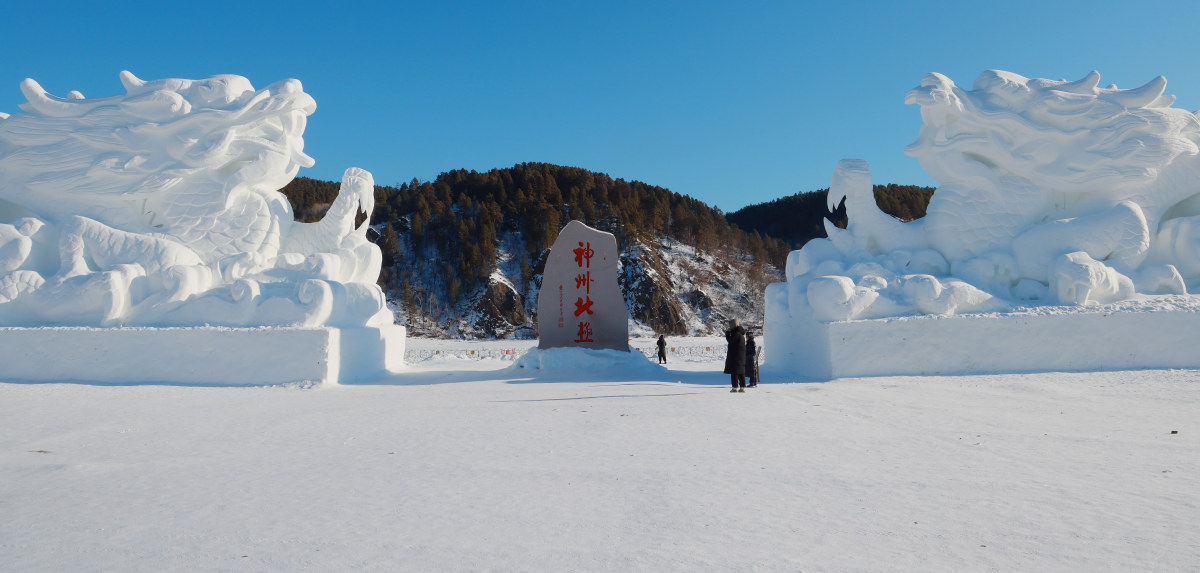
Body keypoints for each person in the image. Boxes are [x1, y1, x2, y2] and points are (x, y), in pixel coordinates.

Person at [724, 318, 746, 392]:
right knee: (741, 372)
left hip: (735, 356)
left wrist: (727, 333)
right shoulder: (741, 333)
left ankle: (735, 387)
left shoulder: (736, 333)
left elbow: (730, 341)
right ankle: (742, 387)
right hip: (741, 356)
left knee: (734, 372)